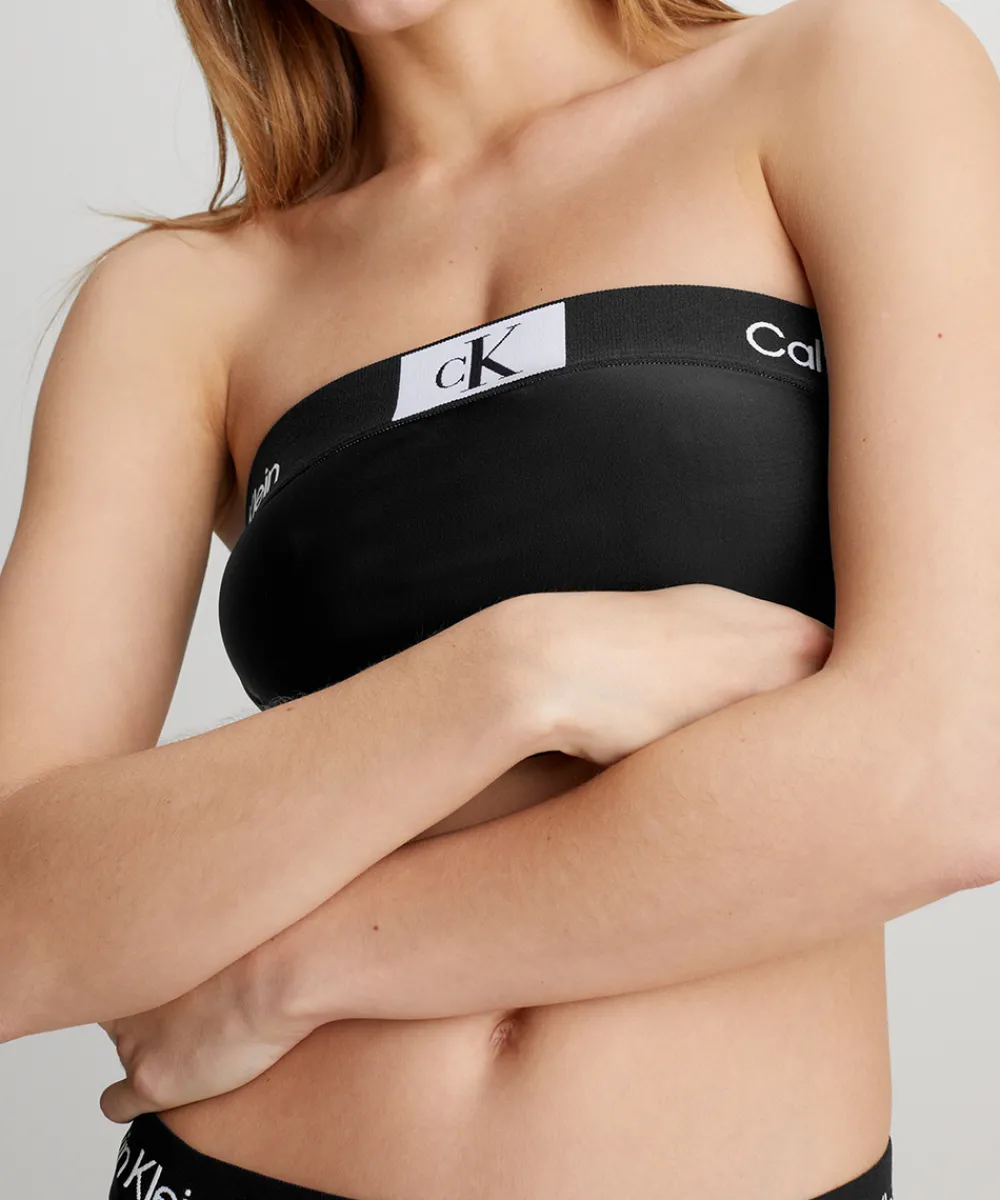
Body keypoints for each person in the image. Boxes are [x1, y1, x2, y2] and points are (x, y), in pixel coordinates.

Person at [2, 0, 999, 1196]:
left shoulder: (846, 75)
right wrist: (520, 671)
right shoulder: (182, 298)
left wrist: (294, 974)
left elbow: (950, 770)